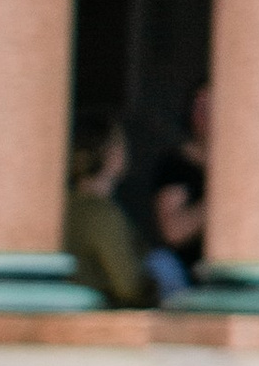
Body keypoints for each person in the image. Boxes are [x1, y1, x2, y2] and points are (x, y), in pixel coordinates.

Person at [66, 112, 153, 308]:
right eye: (119, 142)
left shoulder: (66, 207)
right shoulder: (100, 213)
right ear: (107, 151)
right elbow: (129, 287)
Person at [147, 79, 208, 302]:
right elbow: (174, 231)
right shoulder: (176, 164)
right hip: (186, 281)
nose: (202, 115)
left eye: (211, 106)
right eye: (198, 106)